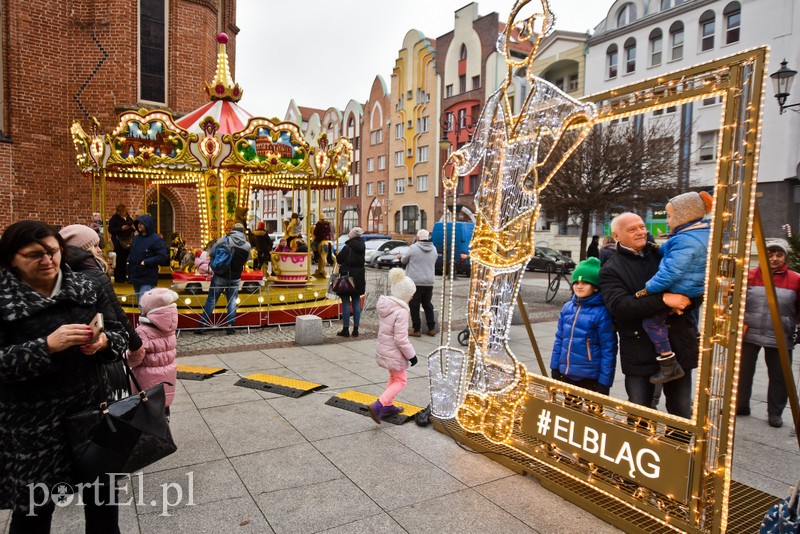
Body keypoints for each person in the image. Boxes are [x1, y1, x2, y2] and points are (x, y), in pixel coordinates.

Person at [0, 220, 127, 533]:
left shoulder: (86, 287)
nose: (47, 260)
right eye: (34, 254)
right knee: (34, 513)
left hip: (90, 413)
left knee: (102, 506)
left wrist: (104, 342)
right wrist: (46, 346)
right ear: (12, 258)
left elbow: (120, 333)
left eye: (53, 252)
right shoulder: (4, 300)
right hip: (32, 426)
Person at [599, 212, 696, 418]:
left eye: (642, 226)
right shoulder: (611, 268)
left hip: (678, 344)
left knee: (681, 413)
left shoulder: (664, 254)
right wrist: (663, 300)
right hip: (639, 351)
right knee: (639, 413)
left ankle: (677, 449)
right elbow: (620, 307)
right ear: (617, 236)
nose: (641, 231)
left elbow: (692, 288)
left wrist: (682, 303)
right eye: (632, 229)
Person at [639, 191, 712, 384]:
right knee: (686, 318)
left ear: (683, 216)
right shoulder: (699, 233)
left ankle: (668, 362)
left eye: (670, 216)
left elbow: (670, 272)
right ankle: (692, 337)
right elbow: (671, 250)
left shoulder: (685, 240)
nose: (667, 221)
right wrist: (658, 247)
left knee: (651, 322)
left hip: (681, 289)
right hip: (693, 290)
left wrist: (648, 289)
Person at [737, 238, 800, 428]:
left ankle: (775, 412)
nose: (774, 258)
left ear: (784, 257)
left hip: (780, 334)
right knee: (743, 372)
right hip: (750, 331)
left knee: (779, 375)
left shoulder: (796, 279)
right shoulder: (750, 275)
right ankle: (740, 405)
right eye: (770, 254)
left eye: (779, 255)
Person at [60, 223, 143, 357]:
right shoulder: (94, 273)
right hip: (99, 344)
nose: (99, 250)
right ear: (83, 249)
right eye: (95, 246)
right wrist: (136, 344)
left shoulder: (62, 272)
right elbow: (116, 312)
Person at [550, 257, 617, 394]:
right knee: (570, 411)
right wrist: (555, 367)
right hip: (567, 373)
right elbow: (559, 340)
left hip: (590, 378)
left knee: (591, 415)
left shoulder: (602, 313)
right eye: (576, 282)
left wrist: (604, 382)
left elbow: (608, 350)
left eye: (585, 282)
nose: (579, 286)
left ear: (595, 287)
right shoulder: (567, 308)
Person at [368, 268, 418, 423]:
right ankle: (379, 404)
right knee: (401, 381)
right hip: (395, 352)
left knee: (394, 377)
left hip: (385, 349)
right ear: (405, 295)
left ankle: (388, 405)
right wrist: (412, 355)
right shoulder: (402, 311)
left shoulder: (387, 306)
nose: (411, 298)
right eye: (410, 295)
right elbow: (401, 339)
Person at [127, 288, 178, 421]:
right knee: (163, 408)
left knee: (147, 413)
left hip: (147, 382)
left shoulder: (142, 332)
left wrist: (128, 356)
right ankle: (163, 427)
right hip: (167, 379)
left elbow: (135, 359)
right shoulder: (170, 328)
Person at [196, 223, 251, 335]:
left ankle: (202, 325)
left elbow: (211, 252)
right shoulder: (247, 245)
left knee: (211, 300)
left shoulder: (225, 239)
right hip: (235, 276)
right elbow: (246, 260)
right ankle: (230, 326)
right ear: (243, 231)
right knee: (232, 301)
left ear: (233, 230)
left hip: (220, 275)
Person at [402, 228, 438, 337]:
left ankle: (416, 330)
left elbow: (404, 260)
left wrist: (400, 257)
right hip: (429, 282)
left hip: (415, 282)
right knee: (427, 304)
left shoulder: (413, 248)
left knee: (414, 305)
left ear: (418, 238)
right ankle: (431, 328)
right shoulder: (434, 249)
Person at [126, 214, 169, 305]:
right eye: (138, 223)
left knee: (144, 304)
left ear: (148, 224)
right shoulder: (136, 238)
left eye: (142, 223)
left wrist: (146, 262)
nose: (139, 225)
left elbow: (162, 256)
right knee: (140, 302)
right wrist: (129, 262)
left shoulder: (156, 239)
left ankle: (145, 318)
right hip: (136, 274)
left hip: (147, 276)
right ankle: (142, 318)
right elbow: (132, 252)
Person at [335, 226, 366, 338]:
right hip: (359, 277)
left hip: (347, 277)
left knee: (346, 302)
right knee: (356, 302)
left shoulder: (348, 247)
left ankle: (345, 329)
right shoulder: (363, 245)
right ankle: (356, 329)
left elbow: (339, 259)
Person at [108, 204, 135, 283]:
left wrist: (131, 228)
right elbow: (111, 230)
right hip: (119, 242)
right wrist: (121, 228)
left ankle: (124, 276)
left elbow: (131, 224)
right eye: (121, 211)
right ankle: (118, 277)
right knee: (119, 259)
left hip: (127, 240)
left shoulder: (127, 217)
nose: (123, 213)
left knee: (125, 259)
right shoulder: (114, 219)